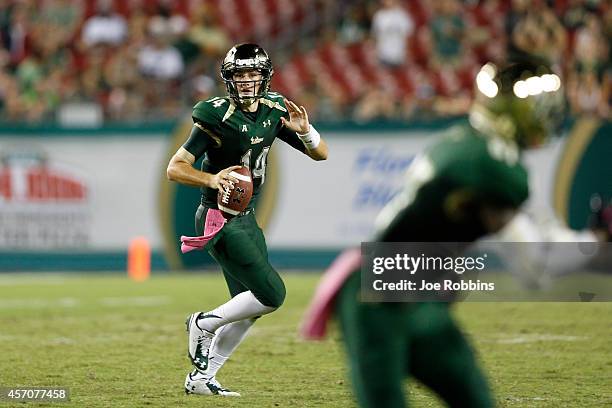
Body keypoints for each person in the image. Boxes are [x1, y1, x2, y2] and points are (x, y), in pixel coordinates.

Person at [302, 59, 570, 407]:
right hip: (380, 299)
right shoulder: (490, 163)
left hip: (416, 296)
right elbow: (534, 266)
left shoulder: (466, 144)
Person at [166, 43, 328, 397]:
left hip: (248, 218)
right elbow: (175, 168)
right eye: (240, 75)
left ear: (265, 76)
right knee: (272, 294)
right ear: (228, 79)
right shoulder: (216, 115)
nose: (247, 81)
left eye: (253, 73)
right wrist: (211, 179)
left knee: (249, 308)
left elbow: (321, 154)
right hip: (218, 217)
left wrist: (304, 131)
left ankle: (201, 380)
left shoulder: (274, 110)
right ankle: (202, 323)